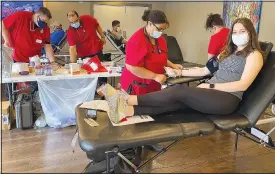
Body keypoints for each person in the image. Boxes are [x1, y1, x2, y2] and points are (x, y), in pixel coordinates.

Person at [98, 17, 264, 124]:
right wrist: (179, 72)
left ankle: (127, 99)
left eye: (242, 31)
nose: (238, 34)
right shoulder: (226, 52)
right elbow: (204, 71)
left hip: (226, 100)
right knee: (175, 103)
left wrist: (211, 87)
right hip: (210, 95)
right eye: (235, 32)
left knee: (179, 91)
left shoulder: (254, 55)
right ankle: (127, 111)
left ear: (251, 33)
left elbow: (243, 85)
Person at [120, 9, 183, 95]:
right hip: (136, 85)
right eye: (159, 29)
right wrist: (155, 76)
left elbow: (160, 57)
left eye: (163, 29)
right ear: (149, 23)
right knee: (138, 107)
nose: (161, 32)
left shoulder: (161, 40)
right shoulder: (136, 40)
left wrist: (173, 65)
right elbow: (133, 67)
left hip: (154, 84)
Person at [66, 10, 107, 86]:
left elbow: (97, 25)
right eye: (71, 23)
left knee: (101, 73)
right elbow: (72, 48)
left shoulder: (87, 18)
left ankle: (103, 91)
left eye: (75, 21)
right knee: (85, 74)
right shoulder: (70, 32)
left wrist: (102, 36)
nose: (74, 24)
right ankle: (90, 91)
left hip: (96, 49)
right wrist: (73, 63)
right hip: (83, 55)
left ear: (79, 17)